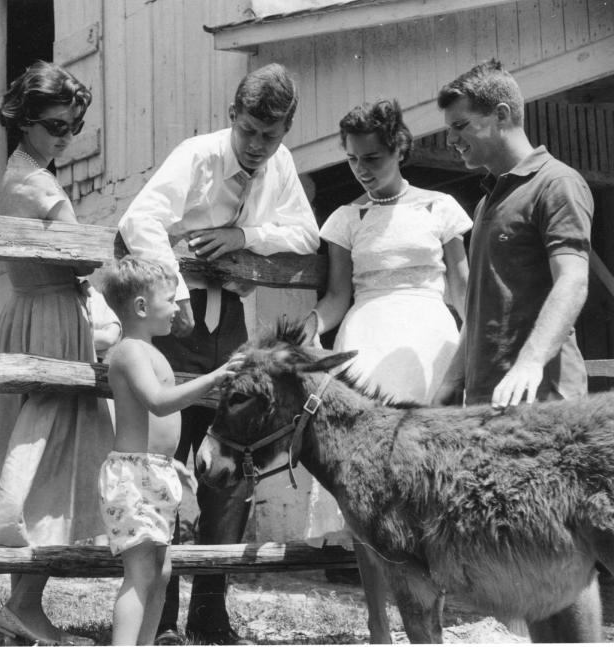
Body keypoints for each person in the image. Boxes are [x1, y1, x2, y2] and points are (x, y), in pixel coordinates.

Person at [117, 62, 319, 645]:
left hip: (230, 321)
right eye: (250, 131)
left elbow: (304, 233)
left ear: (285, 130)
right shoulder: (198, 155)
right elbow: (141, 220)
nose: (257, 147)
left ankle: (212, 603)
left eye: (271, 135)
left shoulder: (278, 165)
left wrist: (245, 238)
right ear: (233, 116)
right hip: (176, 321)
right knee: (170, 465)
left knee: (229, 470)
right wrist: (175, 290)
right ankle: (166, 611)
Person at [306, 98, 472, 642]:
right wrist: (313, 326)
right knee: (364, 486)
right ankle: (378, 623)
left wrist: (476, 349)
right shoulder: (345, 218)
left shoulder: (439, 207)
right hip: (370, 337)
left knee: (425, 484)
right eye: (353, 158)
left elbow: (462, 291)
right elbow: (336, 296)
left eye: (373, 156)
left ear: (400, 146)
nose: (362, 167)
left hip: (429, 339)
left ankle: (431, 620)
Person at [0, 60, 113, 647]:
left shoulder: (26, 172)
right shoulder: (36, 186)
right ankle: (24, 607)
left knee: (42, 458)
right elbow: (83, 257)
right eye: (55, 125)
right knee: (41, 462)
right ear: (25, 120)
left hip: (43, 313)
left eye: (74, 128)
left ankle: (23, 606)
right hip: (47, 318)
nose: (64, 138)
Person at [434, 59, 593, 409]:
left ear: (502, 115)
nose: (450, 139)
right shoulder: (484, 204)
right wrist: (451, 381)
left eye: (460, 125)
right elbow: (479, 306)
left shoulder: (556, 183)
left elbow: (573, 281)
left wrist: (531, 361)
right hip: (487, 401)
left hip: (542, 398)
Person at [97, 256, 239, 646]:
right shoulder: (129, 353)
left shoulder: (153, 352)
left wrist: (172, 463)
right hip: (133, 477)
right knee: (140, 573)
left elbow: (150, 425)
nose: (178, 307)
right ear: (142, 307)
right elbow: (158, 402)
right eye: (171, 299)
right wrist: (213, 378)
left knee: (160, 572)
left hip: (153, 471)